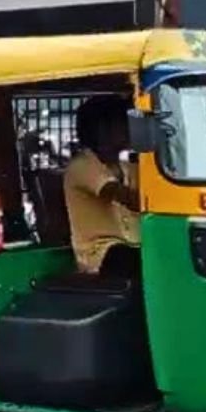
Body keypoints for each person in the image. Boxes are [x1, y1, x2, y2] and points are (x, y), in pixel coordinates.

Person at [63, 96, 141, 277]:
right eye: (122, 123)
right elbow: (128, 198)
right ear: (101, 129)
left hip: (134, 248)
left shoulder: (128, 167)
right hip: (101, 256)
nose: (129, 129)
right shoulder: (82, 166)